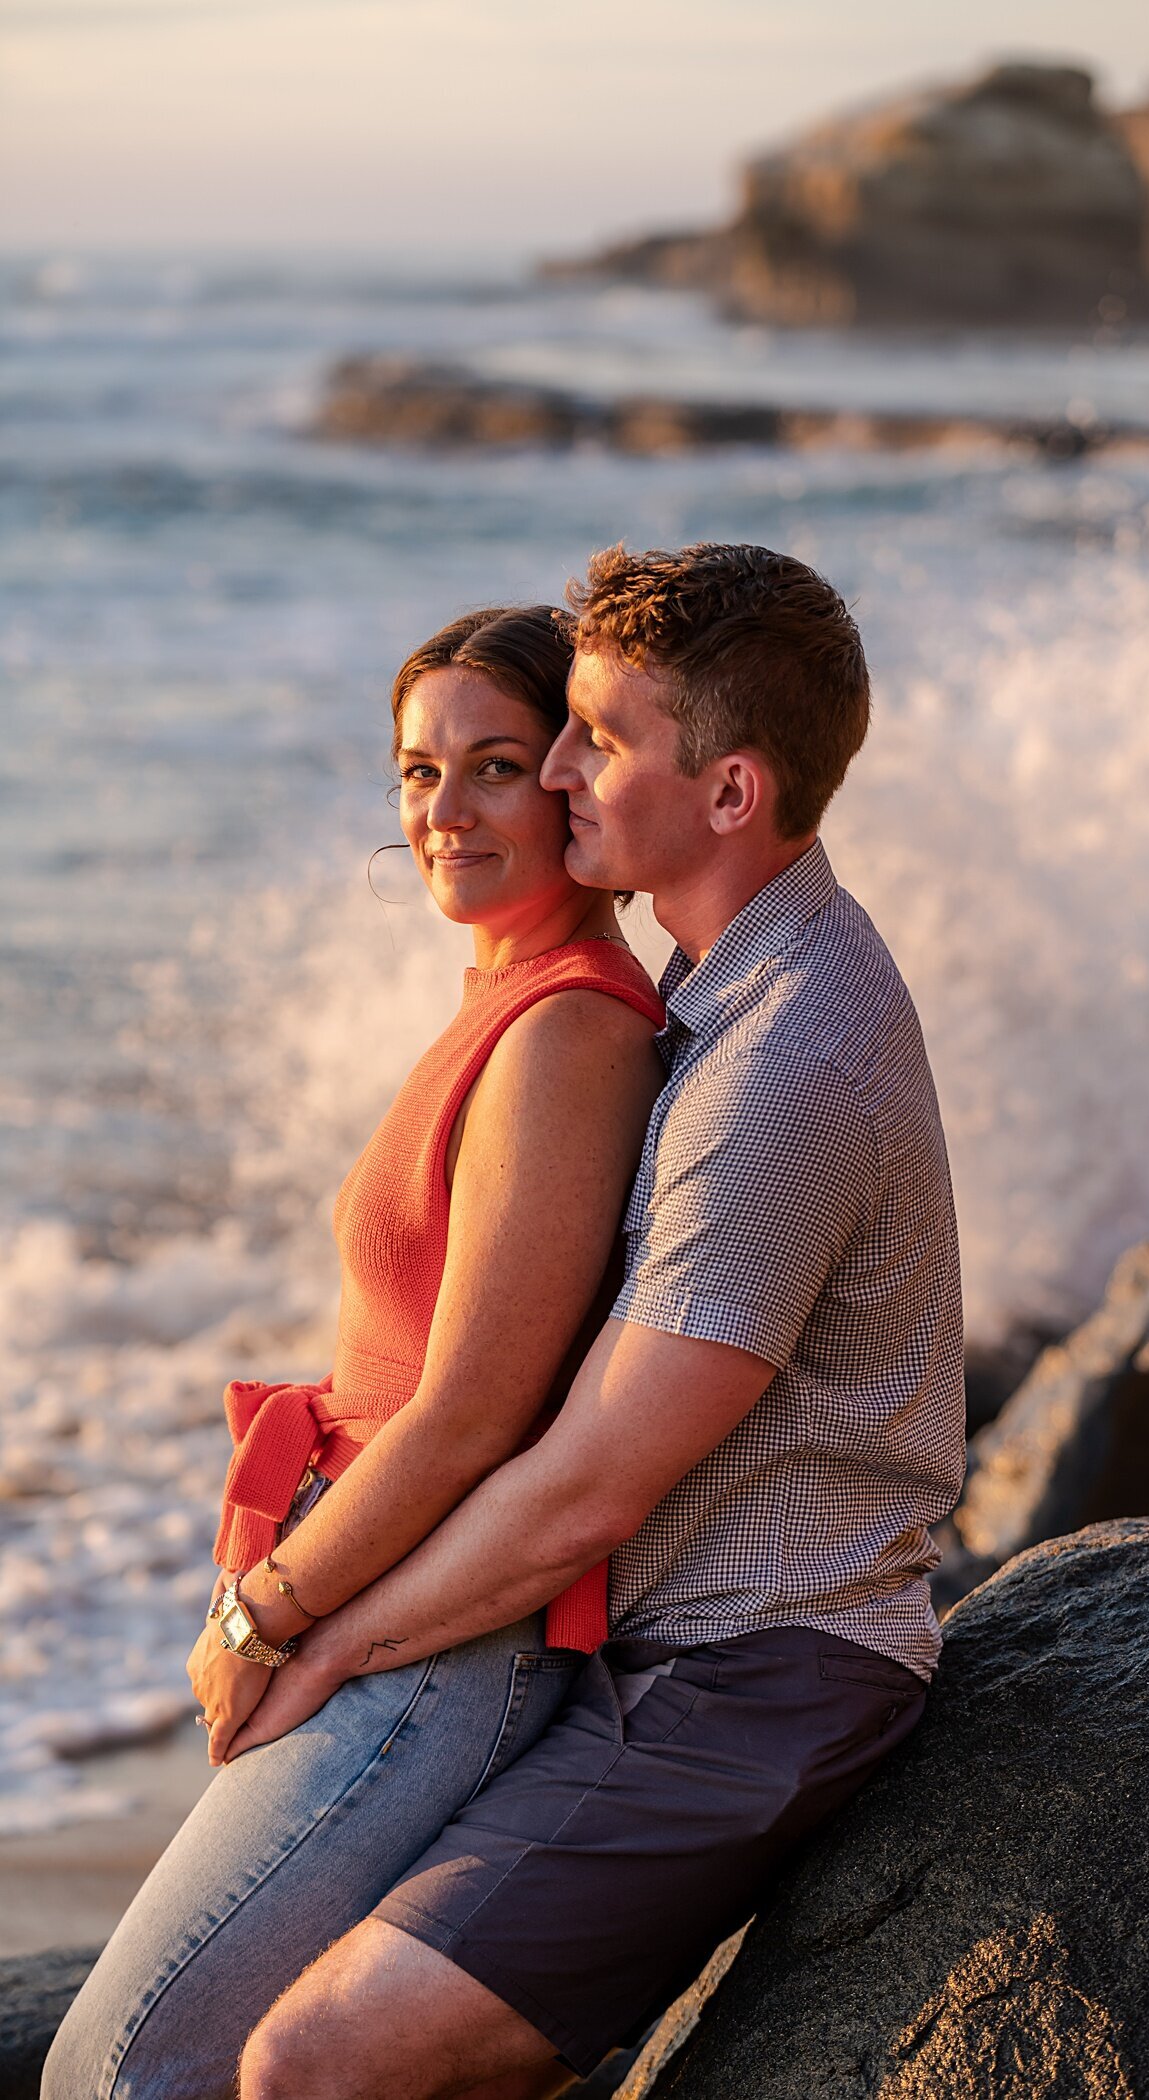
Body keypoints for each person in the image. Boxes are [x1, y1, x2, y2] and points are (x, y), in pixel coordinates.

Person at [228, 541, 967, 2100]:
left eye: (598, 739)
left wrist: (309, 1641)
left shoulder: (785, 1066)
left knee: (310, 2061)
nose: (555, 772)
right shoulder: (727, 986)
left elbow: (590, 1484)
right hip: (657, 1655)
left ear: (729, 795)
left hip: (747, 1678)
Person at [42, 605, 666, 2100]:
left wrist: (265, 1617)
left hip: (431, 1635)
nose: (443, 813)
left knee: (128, 2071)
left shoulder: (571, 1032)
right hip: (378, 1596)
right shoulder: (507, 1000)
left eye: (494, 765)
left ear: (575, 778)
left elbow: (466, 1419)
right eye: (416, 772)